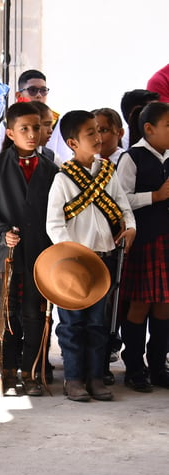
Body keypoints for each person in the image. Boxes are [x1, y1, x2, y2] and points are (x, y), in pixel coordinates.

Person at [46, 110, 136, 401]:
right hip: (73, 263)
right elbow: (54, 223)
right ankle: (73, 379)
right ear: (73, 143)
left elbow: (124, 209)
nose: (98, 138)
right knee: (72, 324)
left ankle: (96, 378)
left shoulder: (108, 173)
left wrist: (131, 227)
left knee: (99, 322)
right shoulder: (63, 180)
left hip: (104, 259)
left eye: (99, 131)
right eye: (90, 134)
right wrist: (71, 253)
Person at [0, 103, 59, 395]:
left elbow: (55, 214)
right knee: (9, 313)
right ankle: (8, 372)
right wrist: (2, 235)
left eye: (36, 128)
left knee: (36, 313)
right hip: (9, 256)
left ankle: (33, 372)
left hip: (41, 255)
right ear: (10, 133)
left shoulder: (52, 169)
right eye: (24, 129)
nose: (31, 134)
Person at [116, 102, 169, 392]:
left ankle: (159, 365)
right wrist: (155, 196)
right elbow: (120, 200)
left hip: (167, 240)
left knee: (165, 306)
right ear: (149, 129)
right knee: (139, 305)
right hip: (144, 241)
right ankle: (135, 367)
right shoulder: (132, 158)